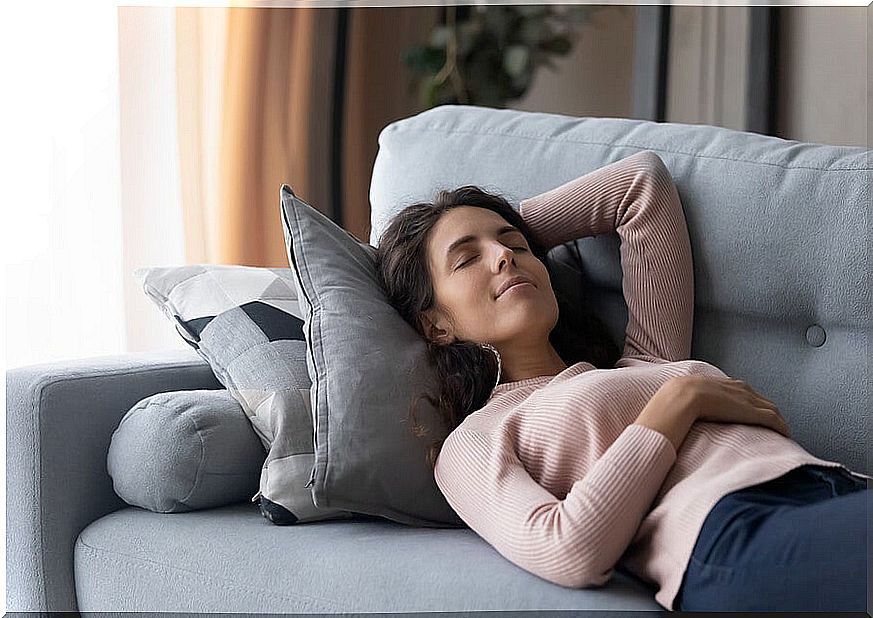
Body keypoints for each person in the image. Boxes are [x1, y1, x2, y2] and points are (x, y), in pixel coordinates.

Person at [373, 150, 869, 612]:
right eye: (466, 259)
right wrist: (679, 401)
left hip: (829, 487)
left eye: (516, 245)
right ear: (435, 325)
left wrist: (506, 229)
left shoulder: (644, 361)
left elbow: (638, 184)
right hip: (731, 533)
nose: (504, 257)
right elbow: (568, 549)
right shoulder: (473, 442)